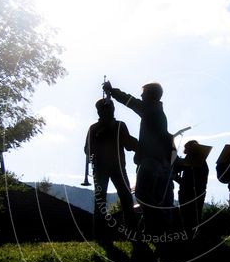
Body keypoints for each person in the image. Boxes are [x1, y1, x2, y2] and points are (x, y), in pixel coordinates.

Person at [102, 79, 174, 234]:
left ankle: (158, 225)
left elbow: (129, 101)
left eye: (143, 93)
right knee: (155, 197)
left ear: (150, 95)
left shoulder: (150, 109)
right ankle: (156, 230)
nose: (141, 96)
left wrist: (112, 90)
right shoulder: (159, 113)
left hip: (150, 162)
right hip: (161, 162)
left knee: (142, 195)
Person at [84, 98, 138, 240]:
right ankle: (131, 234)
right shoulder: (115, 126)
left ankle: (101, 236)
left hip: (106, 168)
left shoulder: (95, 128)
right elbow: (87, 150)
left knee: (104, 201)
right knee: (124, 199)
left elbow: (87, 150)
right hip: (115, 168)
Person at [173, 140, 209, 237]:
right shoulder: (199, 163)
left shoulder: (199, 164)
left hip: (192, 192)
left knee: (191, 215)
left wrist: (176, 178)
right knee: (189, 215)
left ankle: (191, 236)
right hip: (192, 192)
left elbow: (190, 182)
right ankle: (190, 236)